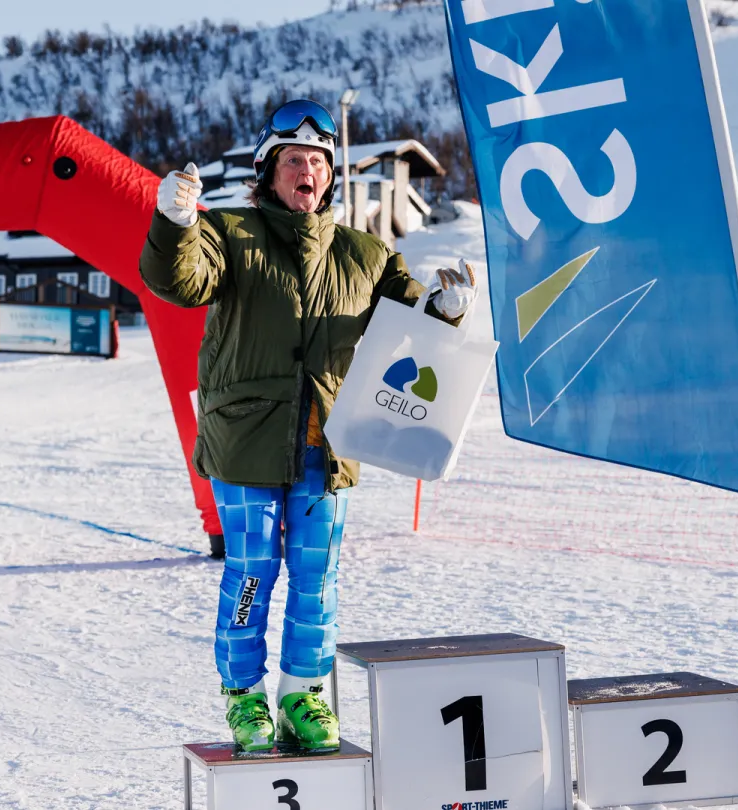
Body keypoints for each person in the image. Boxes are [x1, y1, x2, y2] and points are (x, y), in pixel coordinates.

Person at [138, 99, 477, 752]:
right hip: (244, 441)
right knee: (252, 569)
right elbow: (175, 280)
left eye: (319, 162)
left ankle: (303, 695)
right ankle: (244, 699)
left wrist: (446, 309)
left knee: (317, 575)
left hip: (331, 442)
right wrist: (175, 222)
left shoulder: (367, 254)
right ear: (269, 171)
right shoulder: (229, 234)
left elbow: (415, 326)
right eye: (294, 160)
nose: (308, 172)